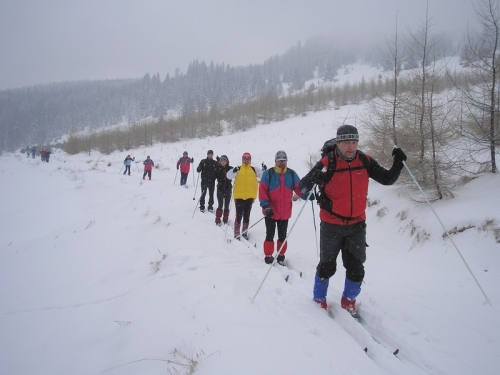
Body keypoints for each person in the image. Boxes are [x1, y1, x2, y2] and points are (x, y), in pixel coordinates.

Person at [299, 124, 407, 318]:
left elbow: (387, 179)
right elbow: (301, 190)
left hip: (356, 225)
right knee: (327, 266)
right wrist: (311, 178)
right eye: (346, 142)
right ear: (338, 143)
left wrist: (398, 163)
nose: (350, 146)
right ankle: (319, 300)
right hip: (331, 225)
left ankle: (349, 302)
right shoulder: (327, 162)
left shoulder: (364, 160)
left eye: (354, 141)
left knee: (357, 269)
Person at [259, 150, 307, 265]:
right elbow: (262, 191)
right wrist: (266, 206)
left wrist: (306, 194)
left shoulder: (291, 174)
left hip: (285, 212)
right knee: (269, 234)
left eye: (284, 161)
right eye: (279, 161)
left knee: (282, 235)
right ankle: (268, 255)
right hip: (270, 211)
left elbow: (298, 187)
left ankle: (281, 255)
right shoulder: (268, 173)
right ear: (275, 161)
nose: (282, 163)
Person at [227, 152, 262, 240]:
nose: (246, 161)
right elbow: (228, 176)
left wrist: (265, 170)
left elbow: (264, 175)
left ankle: (244, 232)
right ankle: (236, 233)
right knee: (239, 215)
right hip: (239, 196)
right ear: (242, 159)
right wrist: (233, 171)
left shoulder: (254, 170)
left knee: (247, 215)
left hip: (250, 196)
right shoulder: (238, 169)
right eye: (245, 159)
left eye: (248, 159)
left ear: (250, 160)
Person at [214, 155, 233, 226]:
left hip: (228, 188)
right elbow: (213, 176)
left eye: (224, 161)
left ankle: (225, 218)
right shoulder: (218, 168)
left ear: (227, 161)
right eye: (222, 161)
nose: (223, 162)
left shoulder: (230, 168)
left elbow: (237, 172)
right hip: (220, 188)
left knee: (227, 205)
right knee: (220, 204)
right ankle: (218, 218)